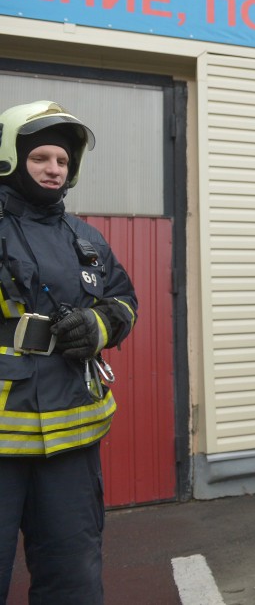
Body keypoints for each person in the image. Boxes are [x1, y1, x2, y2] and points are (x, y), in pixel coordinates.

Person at [0, 100, 138, 605]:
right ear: (10, 157)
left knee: (73, 575)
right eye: (40, 158)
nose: (53, 169)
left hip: (71, 433)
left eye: (61, 160)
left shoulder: (86, 239)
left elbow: (124, 299)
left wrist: (98, 324)